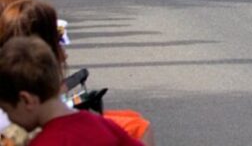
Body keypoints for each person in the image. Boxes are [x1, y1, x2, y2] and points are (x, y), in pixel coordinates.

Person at [0, 37, 144, 146]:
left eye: (7, 110)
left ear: (26, 100)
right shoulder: (102, 124)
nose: (9, 119)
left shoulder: (45, 142)